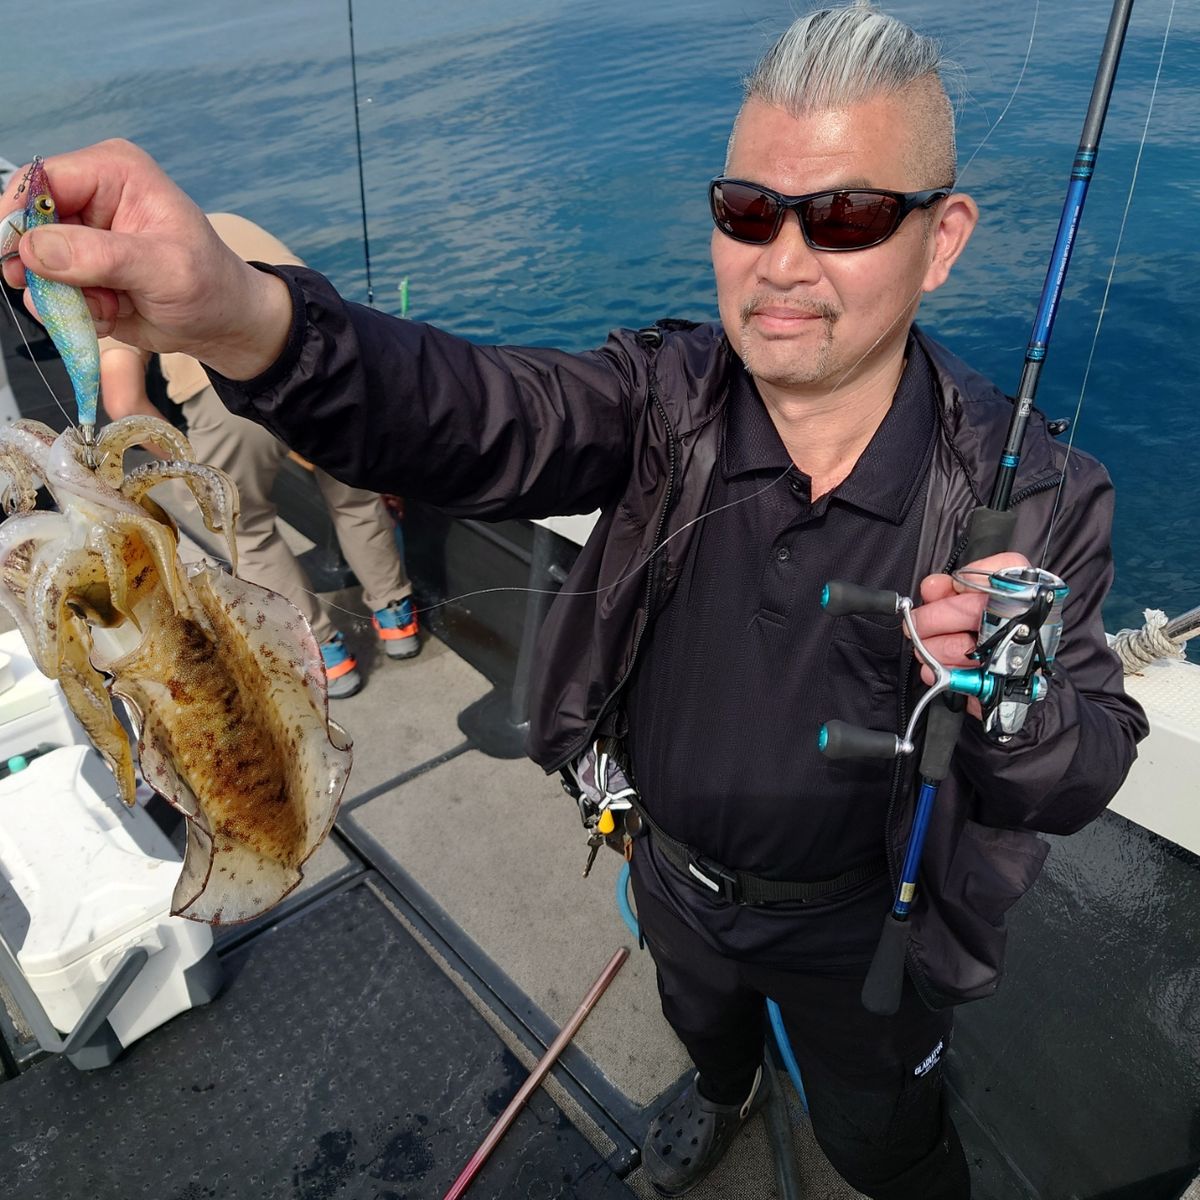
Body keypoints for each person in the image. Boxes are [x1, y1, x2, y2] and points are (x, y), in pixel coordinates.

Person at [0, 5, 1148, 1197]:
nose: (785, 259)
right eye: (749, 210)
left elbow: (1093, 755)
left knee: (884, 1135)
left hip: (867, 923)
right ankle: (720, 1086)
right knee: (703, 1031)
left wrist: (1014, 707)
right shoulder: (661, 399)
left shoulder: (1039, 496)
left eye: (848, 216)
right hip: (668, 869)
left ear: (942, 237)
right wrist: (240, 312)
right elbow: (466, 409)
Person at [97, 213, 421, 697]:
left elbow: (124, 404)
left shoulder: (112, 282)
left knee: (243, 527)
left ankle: (324, 654)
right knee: (354, 494)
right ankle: (397, 620)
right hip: (324, 364)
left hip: (225, 396)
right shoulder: (224, 221)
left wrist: (193, 471)